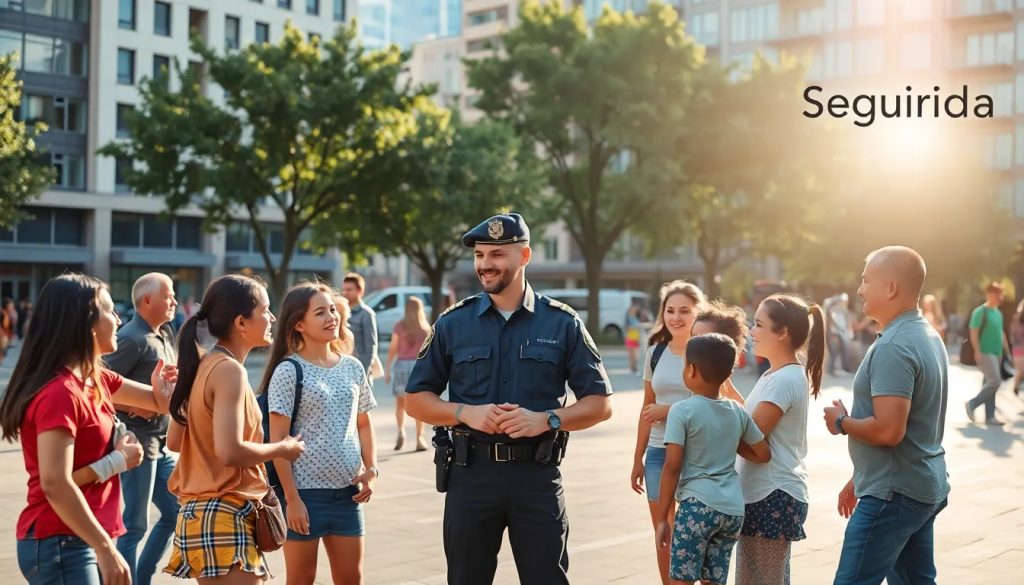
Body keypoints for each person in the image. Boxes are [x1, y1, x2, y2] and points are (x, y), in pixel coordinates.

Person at [405, 212, 613, 585]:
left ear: (525, 256)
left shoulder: (562, 322)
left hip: (536, 475)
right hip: (471, 477)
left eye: (497, 254)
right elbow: (416, 400)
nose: (485, 264)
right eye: (480, 255)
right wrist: (465, 413)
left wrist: (547, 419)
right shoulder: (453, 323)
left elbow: (599, 403)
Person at [0, 273, 177, 585]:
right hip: (60, 541)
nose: (119, 319)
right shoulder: (61, 392)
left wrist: (167, 387)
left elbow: (159, 403)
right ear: (85, 322)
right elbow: (54, 483)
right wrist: (106, 549)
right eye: (110, 311)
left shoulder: (96, 378)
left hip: (80, 537)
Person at [163, 275, 306, 583]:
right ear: (241, 323)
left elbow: (175, 441)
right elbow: (230, 451)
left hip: (197, 516)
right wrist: (283, 448)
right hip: (225, 514)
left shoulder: (202, 364)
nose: (272, 318)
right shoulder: (229, 371)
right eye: (265, 310)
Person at [823, 246, 950, 585]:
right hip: (914, 484)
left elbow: (890, 431)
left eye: (866, 281)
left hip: (893, 495)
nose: (859, 289)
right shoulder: (924, 333)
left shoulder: (895, 345)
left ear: (891, 288)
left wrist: (840, 422)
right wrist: (859, 478)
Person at [259, 282, 378, 585]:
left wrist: (371, 469)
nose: (332, 317)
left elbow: (363, 424)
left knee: (351, 579)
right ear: (299, 324)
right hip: (305, 496)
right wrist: (293, 500)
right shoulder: (288, 371)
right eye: (321, 312)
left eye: (333, 310)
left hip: (349, 495)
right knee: (301, 579)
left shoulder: (352, 367)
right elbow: (278, 442)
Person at [654, 333, 770, 585]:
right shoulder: (736, 410)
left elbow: (672, 467)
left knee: (681, 581)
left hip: (697, 508)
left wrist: (663, 517)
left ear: (692, 370)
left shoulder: (681, 411)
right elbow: (763, 453)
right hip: (732, 511)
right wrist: (729, 439)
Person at [733, 294, 824, 585]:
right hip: (764, 493)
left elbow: (752, 438)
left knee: (763, 581)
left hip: (771, 494)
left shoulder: (784, 379)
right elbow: (750, 418)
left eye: (758, 324)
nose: (751, 331)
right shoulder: (776, 374)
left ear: (782, 332)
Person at [104, 273, 181, 585]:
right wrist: (130, 405)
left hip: (160, 445)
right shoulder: (130, 338)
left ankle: (141, 577)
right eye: (169, 295)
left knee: (175, 511)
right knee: (134, 525)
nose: (174, 301)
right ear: (147, 301)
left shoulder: (161, 334)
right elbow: (99, 386)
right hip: (137, 443)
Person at [629, 280, 708, 584]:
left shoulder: (706, 351)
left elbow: (718, 401)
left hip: (698, 454)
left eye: (684, 311)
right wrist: (638, 458)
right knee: (664, 532)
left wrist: (670, 411)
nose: (676, 317)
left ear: (697, 312)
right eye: (670, 310)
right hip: (658, 453)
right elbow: (647, 407)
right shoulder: (655, 352)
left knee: (697, 534)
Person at [384, 295, 431, 451]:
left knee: (400, 404)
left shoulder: (399, 326)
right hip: (418, 368)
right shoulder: (425, 328)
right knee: (418, 404)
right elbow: (428, 353)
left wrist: (388, 368)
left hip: (401, 366)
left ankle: (401, 431)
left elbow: (392, 349)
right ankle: (419, 438)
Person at [965, 282, 1011, 425]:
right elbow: (974, 332)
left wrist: (1007, 352)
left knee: (989, 383)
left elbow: (1001, 333)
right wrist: (977, 351)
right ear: (989, 294)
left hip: (997, 352)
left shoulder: (998, 313)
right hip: (985, 352)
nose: (999, 297)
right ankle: (972, 404)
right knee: (995, 381)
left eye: (1000, 294)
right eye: (996, 293)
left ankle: (990, 416)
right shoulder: (980, 311)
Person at [341, 273, 379, 377]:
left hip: (359, 369)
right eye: (344, 289)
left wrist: (364, 372)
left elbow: (371, 346)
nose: (345, 292)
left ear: (359, 291)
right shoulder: (339, 312)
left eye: (349, 289)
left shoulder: (367, 314)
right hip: (342, 368)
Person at [625, 303, 643, 374]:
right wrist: (635, 327)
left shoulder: (636, 318)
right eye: (633, 309)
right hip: (630, 338)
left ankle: (633, 369)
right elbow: (627, 328)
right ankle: (633, 369)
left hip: (636, 338)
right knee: (632, 355)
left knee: (635, 355)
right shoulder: (628, 318)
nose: (635, 311)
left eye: (636, 309)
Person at [1011, 300, 1024, 397]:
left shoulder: (1016, 318)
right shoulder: (1016, 318)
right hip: (1019, 347)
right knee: (1020, 370)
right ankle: (1016, 386)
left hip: (1018, 346)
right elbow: (1013, 334)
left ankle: (1016, 385)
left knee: (1020, 370)